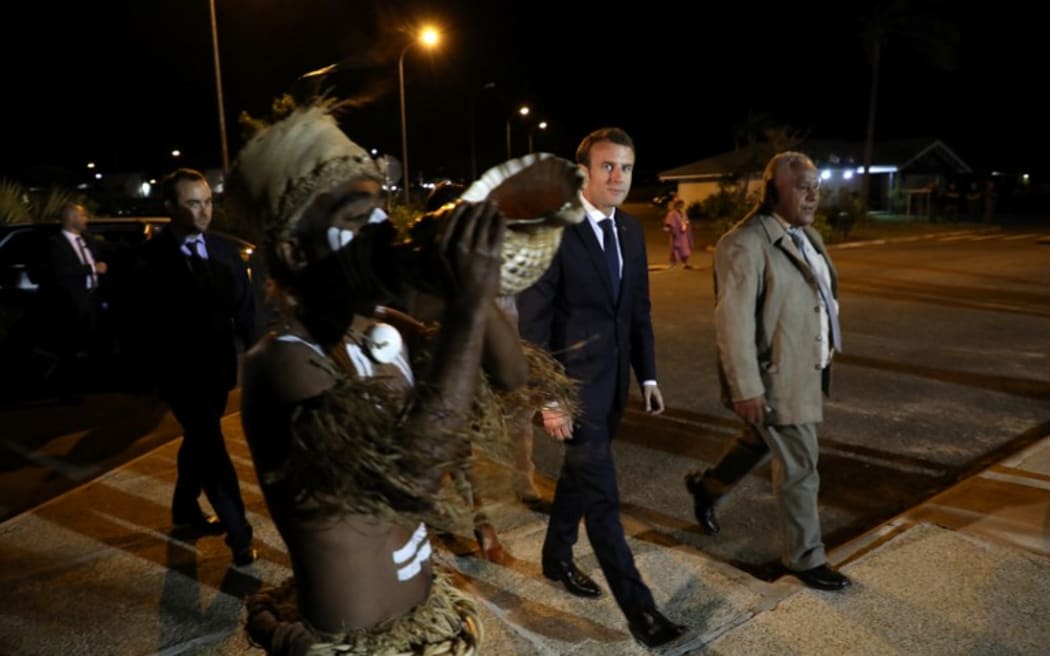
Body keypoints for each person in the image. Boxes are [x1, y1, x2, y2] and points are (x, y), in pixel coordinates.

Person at [228, 101, 524, 654]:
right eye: (356, 220)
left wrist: (466, 280)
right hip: (353, 641)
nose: (382, 231)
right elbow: (407, 482)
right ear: (294, 250)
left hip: (427, 619)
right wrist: (464, 307)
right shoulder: (285, 362)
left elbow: (511, 374)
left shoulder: (387, 327)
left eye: (382, 211)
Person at [517, 127, 687, 648]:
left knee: (579, 477)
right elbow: (533, 327)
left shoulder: (632, 232)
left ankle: (555, 555)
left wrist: (649, 375)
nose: (618, 177)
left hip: (613, 388)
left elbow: (636, 312)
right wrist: (549, 400)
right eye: (607, 167)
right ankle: (643, 615)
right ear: (583, 174)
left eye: (627, 168)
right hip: (572, 392)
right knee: (604, 500)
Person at [683, 151, 852, 591]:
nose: (813, 194)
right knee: (801, 466)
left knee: (757, 439)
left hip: (805, 368)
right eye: (802, 186)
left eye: (816, 185)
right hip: (775, 375)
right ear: (772, 190)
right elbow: (733, 321)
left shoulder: (807, 235)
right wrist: (745, 386)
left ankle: (708, 488)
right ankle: (805, 558)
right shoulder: (745, 243)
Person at [134, 168, 257, 566]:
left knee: (199, 439)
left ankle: (184, 507)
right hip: (178, 374)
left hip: (219, 371)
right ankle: (239, 533)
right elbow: (135, 321)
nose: (204, 212)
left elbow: (246, 310)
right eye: (192, 203)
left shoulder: (224, 251)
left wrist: (258, 357)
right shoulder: (148, 259)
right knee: (210, 443)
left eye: (207, 202)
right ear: (170, 207)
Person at [41, 202, 109, 395]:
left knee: (95, 342)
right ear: (71, 218)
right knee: (71, 347)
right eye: (82, 216)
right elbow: (59, 271)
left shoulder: (86, 239)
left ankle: (93, 385)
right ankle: (70, 390)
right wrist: (92, 268)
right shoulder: (55, 243)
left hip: (92, 299)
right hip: (71, 302)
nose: (86, 219)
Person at [662, 198, 692, 269]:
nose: (680, 206)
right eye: (679, 204)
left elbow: (686, 220)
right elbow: (669, 223)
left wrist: (686, 224)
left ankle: (685, 263)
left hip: (683, 234)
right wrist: (671, 230)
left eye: (681, 204)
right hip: (676, 234)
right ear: (675, 205)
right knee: (674, 248)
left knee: (684, 249)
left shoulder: (683, 213)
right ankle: (672, 263)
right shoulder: (672, 213)